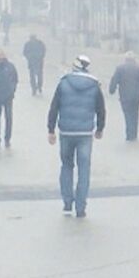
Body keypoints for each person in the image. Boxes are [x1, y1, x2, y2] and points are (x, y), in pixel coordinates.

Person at [47, 54, 106, 218]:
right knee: (84, 169)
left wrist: (51, 129)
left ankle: (67, 203)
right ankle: (81, 207)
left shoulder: (63, 84)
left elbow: (54, 108)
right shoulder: (94, 86)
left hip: (66, 132)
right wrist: (100, 128)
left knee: (66, 166)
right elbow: (101, 109)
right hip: (85, 133)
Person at [109, 52, 139, 141]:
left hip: (124, 96)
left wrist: (112, 90)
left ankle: (129, 135)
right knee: (135, 114)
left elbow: (114, 80)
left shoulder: (120, 68)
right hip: (136, 97)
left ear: (125, 59)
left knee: (127, 115)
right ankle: (134, 134)